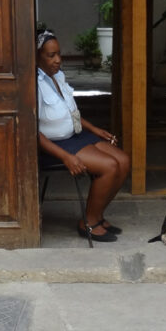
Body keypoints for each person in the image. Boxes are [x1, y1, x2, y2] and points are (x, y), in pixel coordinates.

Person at [36, 29, 131, 242]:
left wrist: (95, 130)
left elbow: (72, 114)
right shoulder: (33, 84)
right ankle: (88, 222)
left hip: (75, 137)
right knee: (110, 167)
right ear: (37, 56)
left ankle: (97, 215)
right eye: (51, 56)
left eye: (58, 54)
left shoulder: (58, 76)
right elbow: (32, 133)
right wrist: (65, 157)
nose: (58, 60)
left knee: (123, 161)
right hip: (55, 147)